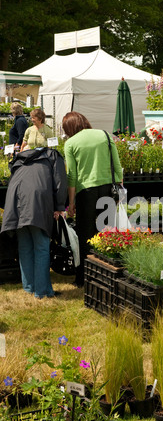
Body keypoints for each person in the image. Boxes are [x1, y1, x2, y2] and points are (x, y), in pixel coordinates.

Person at [62, 111, 123, 287]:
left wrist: (71, 203)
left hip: (85, 192)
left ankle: (83, 278)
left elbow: (72, 175)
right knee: (107, 233)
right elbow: (117, 167)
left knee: (85, 236)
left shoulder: (71, 143)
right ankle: (108, 274)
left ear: (69, 128)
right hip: (108, 189)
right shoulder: (104, 134)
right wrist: (119, 190)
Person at [0, 146, 67, 298]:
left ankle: (29, 288)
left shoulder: (19, 158)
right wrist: (60, 206)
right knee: (42, 247)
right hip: (37, 200)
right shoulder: (53, 155)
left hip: (14, 200)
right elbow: (60, 180)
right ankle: (43, 292)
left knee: (25, 247)